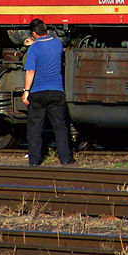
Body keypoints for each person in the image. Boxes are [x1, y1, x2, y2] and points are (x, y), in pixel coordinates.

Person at [22, 18, 74, 166]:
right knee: (60, 126)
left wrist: (26, 91)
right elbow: (47, 45)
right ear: (45, 30)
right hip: (56, 92)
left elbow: (30, 71)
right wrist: (35, 43)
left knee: (34, 128)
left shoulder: (34, 49)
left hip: (38, 93)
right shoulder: (57, 43)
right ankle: (65, 158)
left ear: (33, 33)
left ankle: (34, 160)